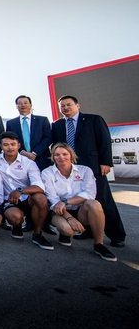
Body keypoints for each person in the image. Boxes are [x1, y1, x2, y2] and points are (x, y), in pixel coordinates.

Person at [51, 95, 126, 248]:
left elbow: (104, 141)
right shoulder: (57, 125)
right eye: (62, 106)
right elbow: (56, 145)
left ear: (77, 105)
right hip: (70, 168)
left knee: (102, 200)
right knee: (80, 200)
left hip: (93, 166)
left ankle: (117, 235)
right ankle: (88, 231)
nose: (65, 108)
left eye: (69, 104)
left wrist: (106, 162)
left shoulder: (94, 119)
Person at [41, 143, 117, 261]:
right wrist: (70, 218)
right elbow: (54, 201)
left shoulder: (85, 170)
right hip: (60, 212)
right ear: (53, 157)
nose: (61, 157)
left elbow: (89, 194)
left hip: (81, 210)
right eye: (57, 155)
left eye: (65, 154)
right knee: (68, 230)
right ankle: (65, 235)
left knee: (94, 204)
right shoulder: (47, 172)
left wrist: (65, 201)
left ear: (71, 155)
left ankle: (99, 244)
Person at [0, 132, 54, 250]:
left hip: (26, 198)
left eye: (13, 144)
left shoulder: (29, 163)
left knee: (40, 198)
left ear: (18, 145)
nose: (10, 147)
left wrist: (20, 191)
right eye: (6, 144)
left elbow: (39, 186)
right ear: (1, 146)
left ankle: (37, 234)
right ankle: (16, 225)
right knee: (15, 217)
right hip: (7, 199)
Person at [5, 95, 52, 171]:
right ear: (16, 106)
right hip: (20, 159)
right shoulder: (11, 123)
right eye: (20, 103)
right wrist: (22, 152)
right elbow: (10, 140)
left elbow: (48, 138)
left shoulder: (42, 120)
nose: (23, 105)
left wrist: (35, 153)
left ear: (30, 105)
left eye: (25, 103)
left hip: (41, 158)